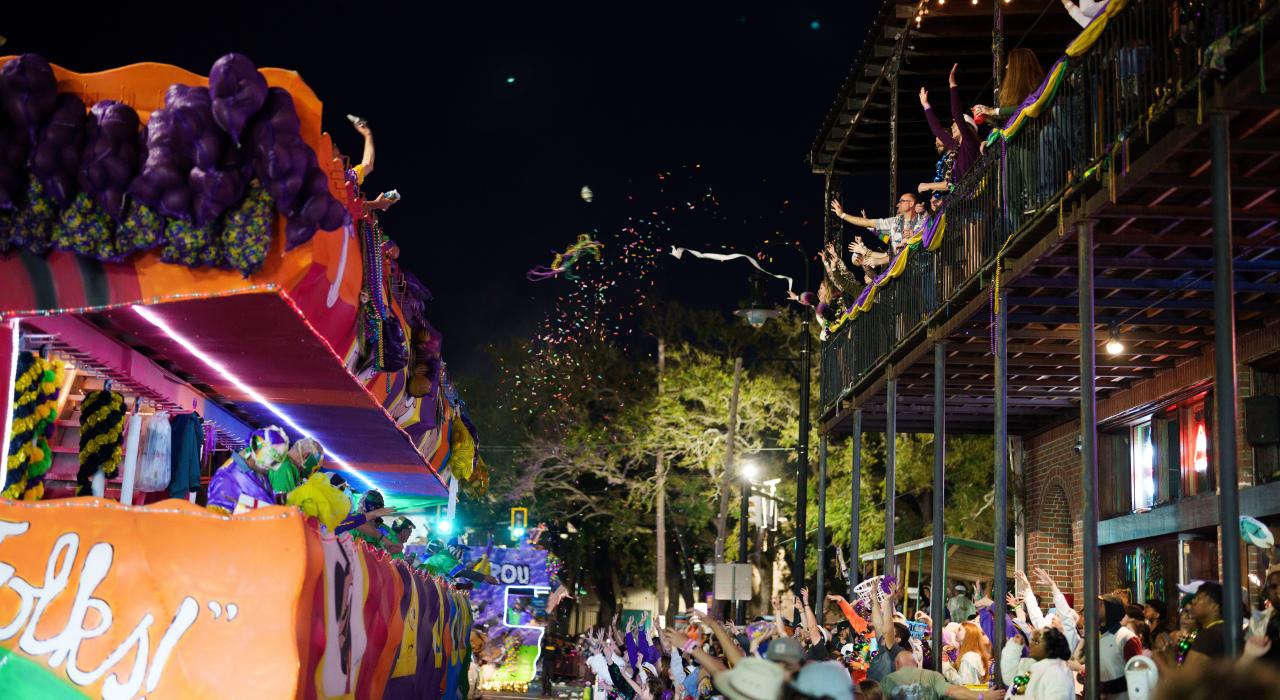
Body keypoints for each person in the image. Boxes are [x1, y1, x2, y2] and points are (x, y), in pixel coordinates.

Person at [920, 64, 980, 186]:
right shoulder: (956, 146)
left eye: (956, 125)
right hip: (963, 198)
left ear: (966, 127)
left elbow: (957, 115)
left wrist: (952, 86)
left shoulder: (969, 142)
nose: (952, 127)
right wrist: (925, 105)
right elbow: (937, 130)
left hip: (974, 198)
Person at [880, 646, 1005, 700]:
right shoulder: (931, 675)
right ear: (916, 663)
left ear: (896, 664)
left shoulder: (887, 680)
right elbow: (952, 691)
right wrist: (983, 696)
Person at [971, 49, 1045, 125]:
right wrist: (988, 117)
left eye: (1010, 63)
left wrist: (992, 111)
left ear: (1018, 67)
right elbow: (1008, 122)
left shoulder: (1038, 84)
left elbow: (1025, 107)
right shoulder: (1019, 89)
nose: (1006, 67)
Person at [999, 625, 1074, 699]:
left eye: (1037, 642)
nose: (1031, 644)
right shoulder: (1030, 665)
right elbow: (1009, 679)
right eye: (1032, 639)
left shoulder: (1057, 676)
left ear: (1051, 650)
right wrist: (1014, 648)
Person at [1176, 580, 1227, 673]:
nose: (1193, 601)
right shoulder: (1218, 630)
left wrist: (1162, 657)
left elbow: (1187, 679)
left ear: (1214, 606)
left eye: (1198, 598)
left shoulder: (1209, 635)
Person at [1244, 564, 1280, 668]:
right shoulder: (1259, 619)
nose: (1278, 591)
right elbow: (1249, 659)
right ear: (1267, 591)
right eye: (1273, 587)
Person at [942, 621, 990, 686]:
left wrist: (946, 666)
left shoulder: (970, 656)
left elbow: (963, 684)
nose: (955, 631)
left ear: (968, 634)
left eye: (959, 630)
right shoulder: (973, 654)